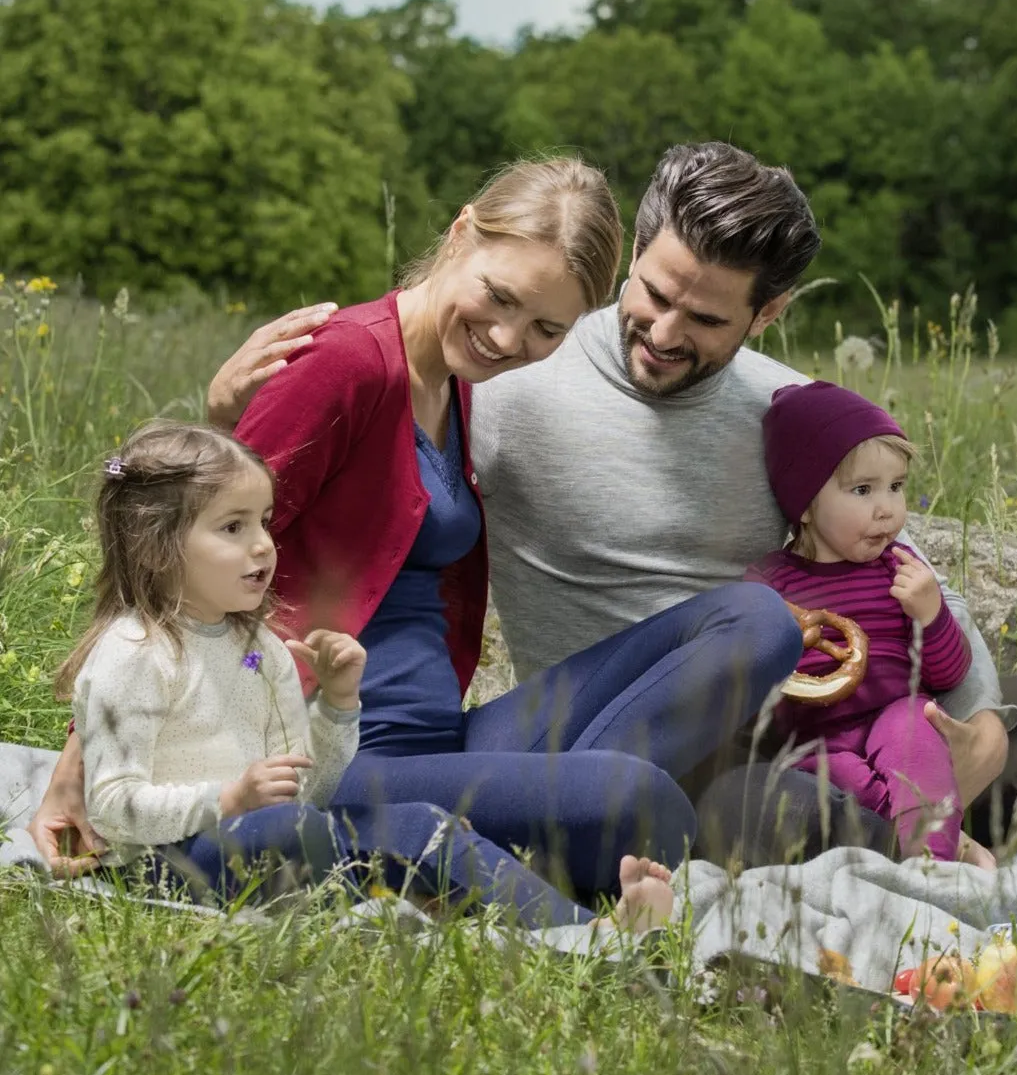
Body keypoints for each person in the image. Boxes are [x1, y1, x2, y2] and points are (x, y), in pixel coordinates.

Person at [30, 155, 803, 906]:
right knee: (643, 801)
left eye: (544, 328)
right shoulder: (346, 361)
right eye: (498, 298)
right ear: (462, 233)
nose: (507, 338)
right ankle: (523, 845)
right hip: (335, 753)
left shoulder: (458, 383)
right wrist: (85, 760)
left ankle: (529, 834)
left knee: (758, 621)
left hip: (442, 742)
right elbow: (177, 545)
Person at [55, 418, 675, 929]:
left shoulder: (262, 648)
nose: (265, 544)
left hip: (281, 835)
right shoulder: (134, 655)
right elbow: (111, 809)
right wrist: (226, 799)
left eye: (265, 521)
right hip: (171, 859)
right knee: (292, 828)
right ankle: (408, 889)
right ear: (156, 546)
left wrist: (337, 706)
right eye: (233, 527)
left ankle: (581, 932)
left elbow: (313, 790)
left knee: (416, 821)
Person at [744, 381, 995, 867]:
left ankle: (934, 869)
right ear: (807, 505)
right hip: (812, 738)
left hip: (893, 713)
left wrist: (932, 614)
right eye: (863, 490)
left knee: (916, 740)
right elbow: (754, 693)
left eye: (896, 487)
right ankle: (937, 846)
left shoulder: (898, 570)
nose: (887, 508)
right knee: (830, 782)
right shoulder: (768, 584)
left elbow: (947, 673)